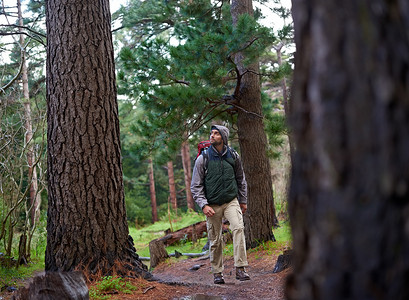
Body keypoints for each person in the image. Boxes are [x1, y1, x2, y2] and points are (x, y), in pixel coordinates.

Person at [191, 124, 250, 284]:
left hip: (231, 200)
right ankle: (217, 272)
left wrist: (242, 200)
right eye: (211, 133)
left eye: (216, 134)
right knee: (215, 239)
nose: (212, 136)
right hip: (212, 205)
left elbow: (241, 179)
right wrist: (204, 205)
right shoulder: (203, 158)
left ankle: (240, 268)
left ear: (223, 137)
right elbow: (195, 186)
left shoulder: (233, 155)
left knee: (238, 228)